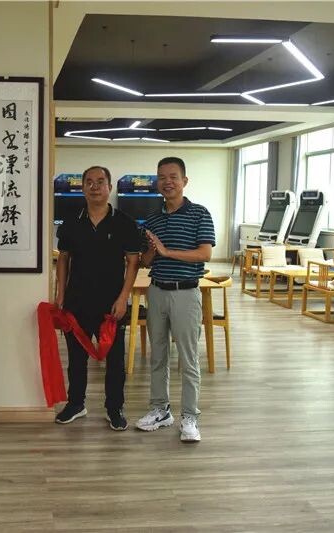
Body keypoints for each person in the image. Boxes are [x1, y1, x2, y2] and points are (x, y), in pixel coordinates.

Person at [54, 166, 140, 430]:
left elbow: (133, 262)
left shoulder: (124, 222)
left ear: (109, 187)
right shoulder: (71, 221)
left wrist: (123, 298)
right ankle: (75, 404)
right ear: (82, 188)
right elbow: (63, 259)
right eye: (89, 182)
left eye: (100, 182)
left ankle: (114, 408)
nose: (94, 187)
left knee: (115, 361)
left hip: (111, 305)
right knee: (76, 358)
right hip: (77, 301)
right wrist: (60, 293)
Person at [136, 156, 215, 442]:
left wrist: (168, 252)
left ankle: (190, 417)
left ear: (184, 181)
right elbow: (146, 261)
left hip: (186, 293)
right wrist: (151, 250)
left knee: (188, 359)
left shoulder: (200, 214)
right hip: (157, 292)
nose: (167, 182)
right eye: (161, 177)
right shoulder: (152, 219)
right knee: (157, 356)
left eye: (173, 177)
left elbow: (205, 253)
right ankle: (160, 410)